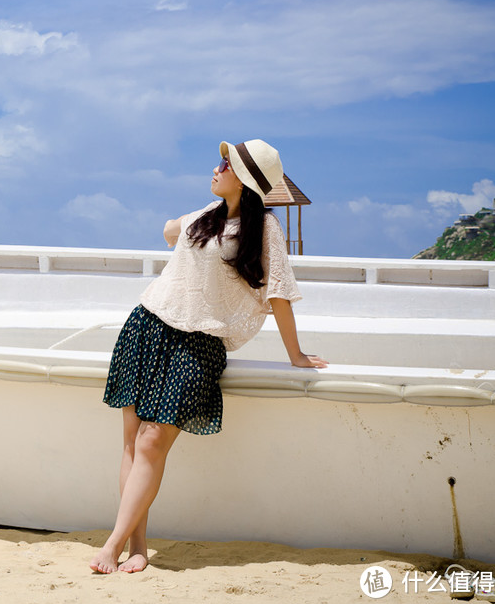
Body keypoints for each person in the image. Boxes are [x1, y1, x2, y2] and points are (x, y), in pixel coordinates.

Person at [89, 139, 328, 574]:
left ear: (247, 181)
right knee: (132, 441)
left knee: (152, 439)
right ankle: (137, 544)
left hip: (199, 343)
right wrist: (177, 225)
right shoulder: (205, 215)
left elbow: (279, 292)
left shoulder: (264, 229)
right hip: (148, 326)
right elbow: (169, 231)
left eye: (226, 164)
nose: (216, 168)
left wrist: (295, 354)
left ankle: (111, 545)